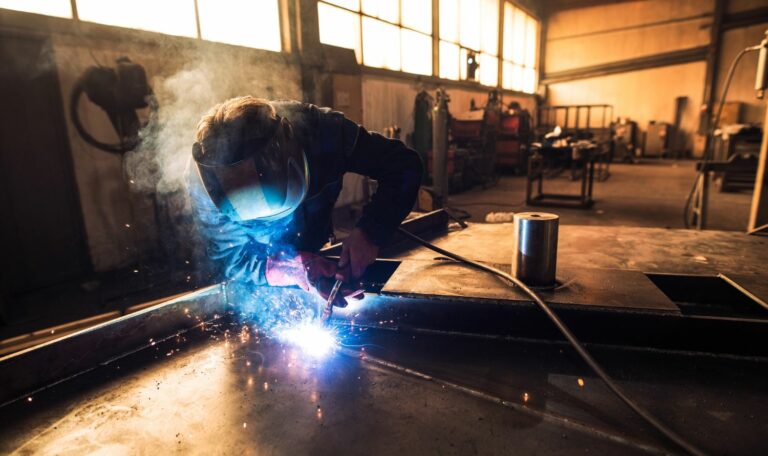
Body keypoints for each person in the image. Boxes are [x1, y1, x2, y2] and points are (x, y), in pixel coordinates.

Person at [190, 96, 422, 309]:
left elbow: (402, 165)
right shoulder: (206, 184)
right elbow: (228, 258)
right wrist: (289, 269)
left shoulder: (323, 132)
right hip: (266, 267)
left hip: (315, 238)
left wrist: (371, 232)